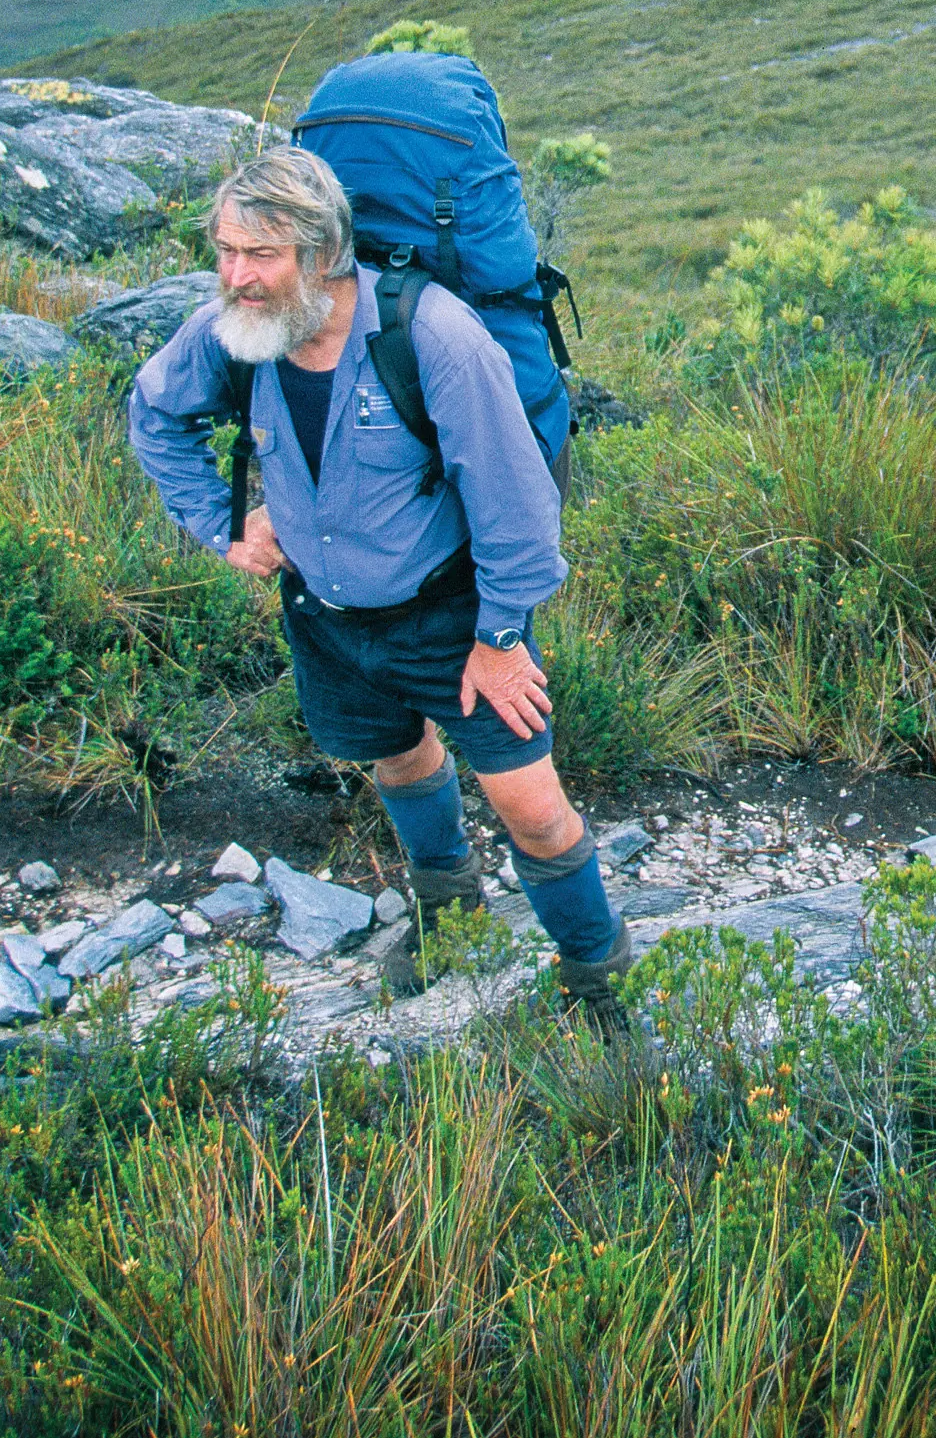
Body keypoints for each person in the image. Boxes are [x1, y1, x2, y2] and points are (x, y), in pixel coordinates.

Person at [125, 146, 631, 1022]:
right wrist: (224, 522)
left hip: (453, 617)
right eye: (225, 251)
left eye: (261, 255)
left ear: (323, 254)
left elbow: (516, 505)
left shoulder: (429, 335)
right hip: (327, 619)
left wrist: (502, 637)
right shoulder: (234, 334)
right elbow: (154, 413)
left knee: (535, 812)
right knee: (395, 755)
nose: (236, 277)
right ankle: (450, 908)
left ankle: (598, 975)